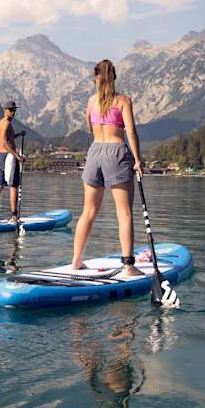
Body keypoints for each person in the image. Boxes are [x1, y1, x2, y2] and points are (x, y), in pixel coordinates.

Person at [72, 59, 144, 277]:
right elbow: (130, 132)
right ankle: (129, 266)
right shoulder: (123, 101)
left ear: (96, 78)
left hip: (94, 152)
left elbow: (89, 125)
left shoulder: (91, 101)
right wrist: (138, 160)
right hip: (116, 151)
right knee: (124, 212)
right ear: (113, 77)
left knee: (88, 212)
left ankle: (76, 261)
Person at [0, 100, 25, 223]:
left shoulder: (2, 123)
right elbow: (4, 143)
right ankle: (14, 216)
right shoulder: (6, 124)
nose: (13, 112)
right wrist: (17, 156)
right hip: (8, 157)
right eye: (11, 110)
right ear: (5, 110)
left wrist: (18, 134)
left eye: (14, 110)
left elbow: (8, 138)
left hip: (0, 156)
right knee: (13, 185)